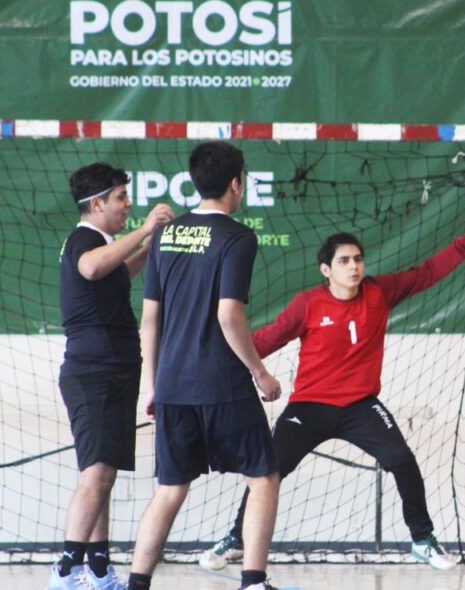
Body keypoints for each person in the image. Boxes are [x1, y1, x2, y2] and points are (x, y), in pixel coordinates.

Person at [199, 208, 465, 573]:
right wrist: (216, 360)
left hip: (361, 406)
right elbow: (265, 340)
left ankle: (422, 540)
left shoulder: (379, 292)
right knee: (268, 471)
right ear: (326, 270)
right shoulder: (308, 303)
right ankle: (237, 539)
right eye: (344, 261)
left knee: (402, 461)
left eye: (358, 259)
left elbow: (428, 273)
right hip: (308, 407)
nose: (354, 267)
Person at [128, 141, 282, 590]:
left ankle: (137, 583)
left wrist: (152, 386)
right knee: (263, 477)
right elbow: (228, 314)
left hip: (174, 385)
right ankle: (252, 580)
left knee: (171, 489)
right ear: (237, 184)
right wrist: (260, 373)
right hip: (223, 383)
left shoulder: (166, 234)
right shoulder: (238, 237)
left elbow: (150, 320)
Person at [47, 163, 174, 590]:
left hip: (116, 369)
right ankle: (65, 571)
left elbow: (118, 271)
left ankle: (99, 569)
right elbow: (92, 268)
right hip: (94, 371)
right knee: (96, 472)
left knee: (105, 471)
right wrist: (144, 230)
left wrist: (150, 243)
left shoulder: (104, 245)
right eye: (121, 197)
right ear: (97, 203)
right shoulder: (86, 240)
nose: (129, 205)